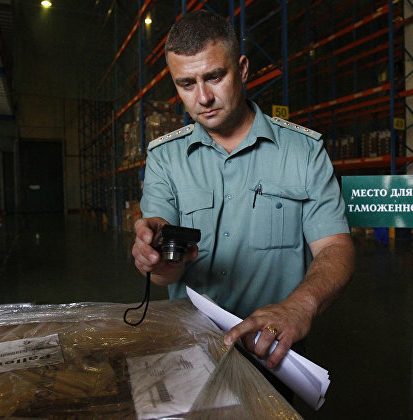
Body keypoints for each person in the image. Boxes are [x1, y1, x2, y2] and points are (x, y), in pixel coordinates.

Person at [131, 10, 355, 370]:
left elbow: (335, 248)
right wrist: (155, 258)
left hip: (272, 349)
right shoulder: (165, 158)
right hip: (193, 348)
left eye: (214, 77)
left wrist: (298, 307)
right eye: (186, 84)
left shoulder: (303, 152)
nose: (203, 97)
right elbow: (163, 276)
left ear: (243, 69)